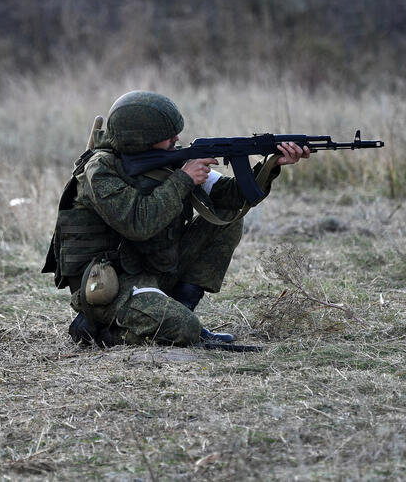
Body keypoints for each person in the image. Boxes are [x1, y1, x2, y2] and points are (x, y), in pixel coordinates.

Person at [43, 90, 310, 347]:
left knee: (226, 216)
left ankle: (179, 308)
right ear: (140, 140)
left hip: (154, 267)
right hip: (110, 283)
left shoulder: (171, 158)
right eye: (168, 135)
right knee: (185, 330)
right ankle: (99, 332)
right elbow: (138, 224)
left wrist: (270, 166)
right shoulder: (100, 171)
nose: (177, 138)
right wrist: (183, 179)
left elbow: (230, 198)